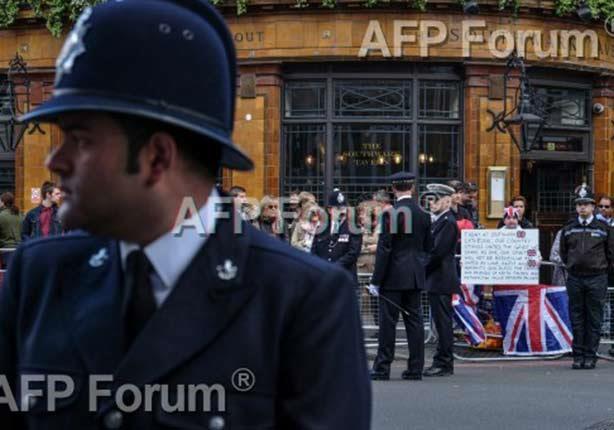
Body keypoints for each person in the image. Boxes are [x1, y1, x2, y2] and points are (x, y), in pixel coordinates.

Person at [0, 1, 370, 428]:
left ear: (157, 157)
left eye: (80, 140)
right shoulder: (40, 276)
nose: (55, 161)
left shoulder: (300, 300)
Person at [369, 172, 433, 381]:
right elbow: (428, 247)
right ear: (413, 189)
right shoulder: (423, 214)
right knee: (414, 322)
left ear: (394, 189)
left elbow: (385, 248)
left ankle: (382, 367)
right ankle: (415, 368)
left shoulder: (393, 213)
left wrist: (376, 280)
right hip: (414, 274)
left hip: (393, 276)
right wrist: (419, 266)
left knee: (388, 323)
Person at [560, 184, 614, 370]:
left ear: (593, 207)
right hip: (575, 277)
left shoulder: (603, 228)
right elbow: (564, 252)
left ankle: (590, 356)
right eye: (579, 204)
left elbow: (610, 253)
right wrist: (572, 266)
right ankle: (578, 355)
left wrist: (603, 271)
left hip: (596, 278)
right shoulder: (569, 228)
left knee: (594, 318)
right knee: (577, 317)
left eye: (586, 204)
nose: (582, 207)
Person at [422, 184, 459, 377]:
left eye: (434, 199)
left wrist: (420, 267)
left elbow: (437, 253)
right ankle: (442, 360)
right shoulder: (441, 220)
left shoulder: (448, 222)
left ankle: (444, 362)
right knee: (440, 321)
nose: (431, 203)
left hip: (441, 277)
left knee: (443, 322)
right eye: (429, 199)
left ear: (446, 200)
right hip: (438, 277)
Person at [311, 189, 362, 282]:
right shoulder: (321, 228)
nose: (342, 212)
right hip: (323, 278)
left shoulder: (354, 228)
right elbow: (314, 251)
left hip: (344, 278)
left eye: (343, 208)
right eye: (338, 209)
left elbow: (353, 253)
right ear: (330, 210)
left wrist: (334, 267)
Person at [0, 192, 22, 267]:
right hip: (20, 249)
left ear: (3, 202)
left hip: (6, 250)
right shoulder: (20, 214)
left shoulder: (1, 215)